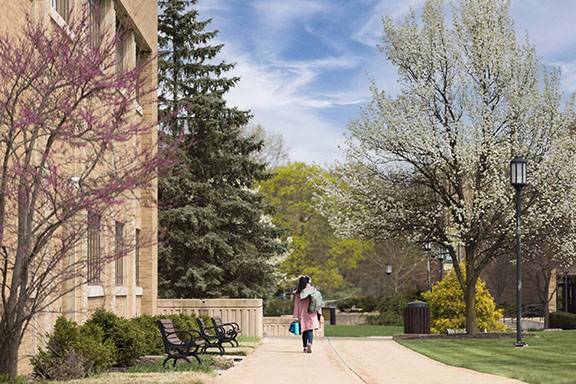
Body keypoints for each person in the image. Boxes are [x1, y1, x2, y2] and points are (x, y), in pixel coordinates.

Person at [292, 275, 321, 353]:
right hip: (311, 312)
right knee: (310, 330)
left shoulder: (298, 292)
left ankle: (305, 347)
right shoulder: (313, 290)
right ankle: (310, 343)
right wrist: (319, 313)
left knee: (304, 330)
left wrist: (295, 316)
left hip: (302, 314)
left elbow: (296, 305)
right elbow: (318, 302)